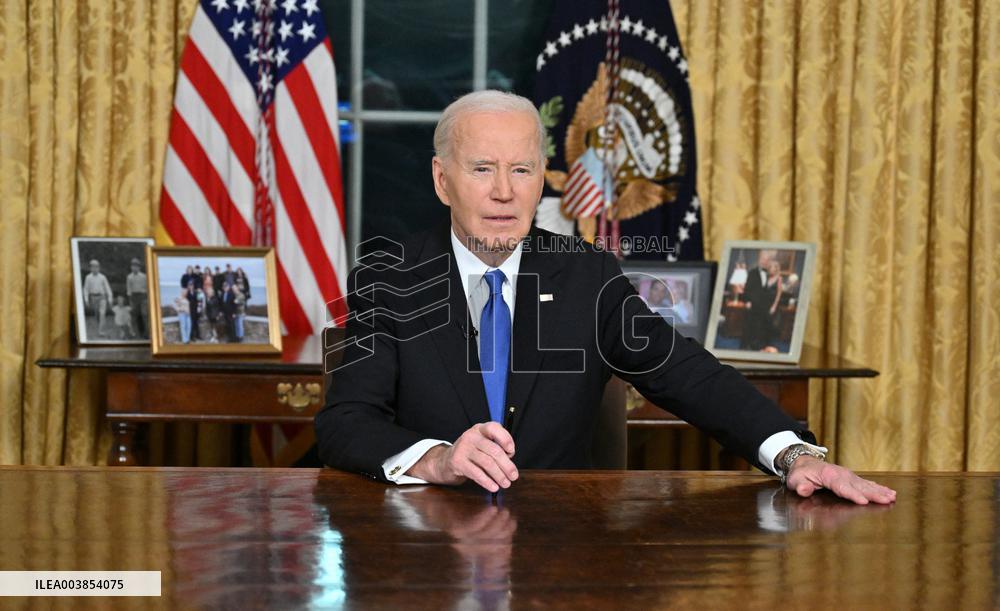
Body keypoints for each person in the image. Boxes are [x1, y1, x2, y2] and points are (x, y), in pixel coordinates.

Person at [316, 90, 895, 506]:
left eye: (521, 169)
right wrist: (437, 459)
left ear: (543, 179)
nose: (503, 191)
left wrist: (795, 455)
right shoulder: (389, 278)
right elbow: (345, 424)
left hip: (564, 550)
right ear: (443, 181)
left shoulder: (585, 276)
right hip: (423, 549)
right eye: (482, 168)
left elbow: (690, 374)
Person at [741, 252, 782, 351]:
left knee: (762, 327)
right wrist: (747, 301)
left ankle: (760, 347)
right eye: (763, 259)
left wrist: (773, 306)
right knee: (750, 326)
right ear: (759, 260)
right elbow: (747, 289)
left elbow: (776, 293)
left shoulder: (769, 274)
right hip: (753, 305)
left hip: (765, 306)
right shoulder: (752, 272)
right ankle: (746, 346)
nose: (765, 261)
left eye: (767, 260)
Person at [82, 259, 113, 338]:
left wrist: (110, 298)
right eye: (93, 267)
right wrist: (86, 299)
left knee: (102, 314)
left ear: (99, 268)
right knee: (97, 315)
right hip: (93, 297)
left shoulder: (102, 277)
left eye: (96, 267)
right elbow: (86, 289)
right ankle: (100, 326)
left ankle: (101, 331)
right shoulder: (88, 277)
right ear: (90, 268)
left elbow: (107, 288)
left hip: (102, 297)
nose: (94, 268)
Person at [126, 258, 149, 339]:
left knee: (144, 315)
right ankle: (137, 333)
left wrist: (146, 298)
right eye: (133, 266)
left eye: (136, 266)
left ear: (139, 267)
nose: (134, 268)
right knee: (135, 315)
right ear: (131, 267)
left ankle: (147, 333)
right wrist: (130, 300)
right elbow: (129, 289)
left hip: (143, 297)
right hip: (134, 297)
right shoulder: (129, 277)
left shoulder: (144, 276)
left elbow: (147, 287)